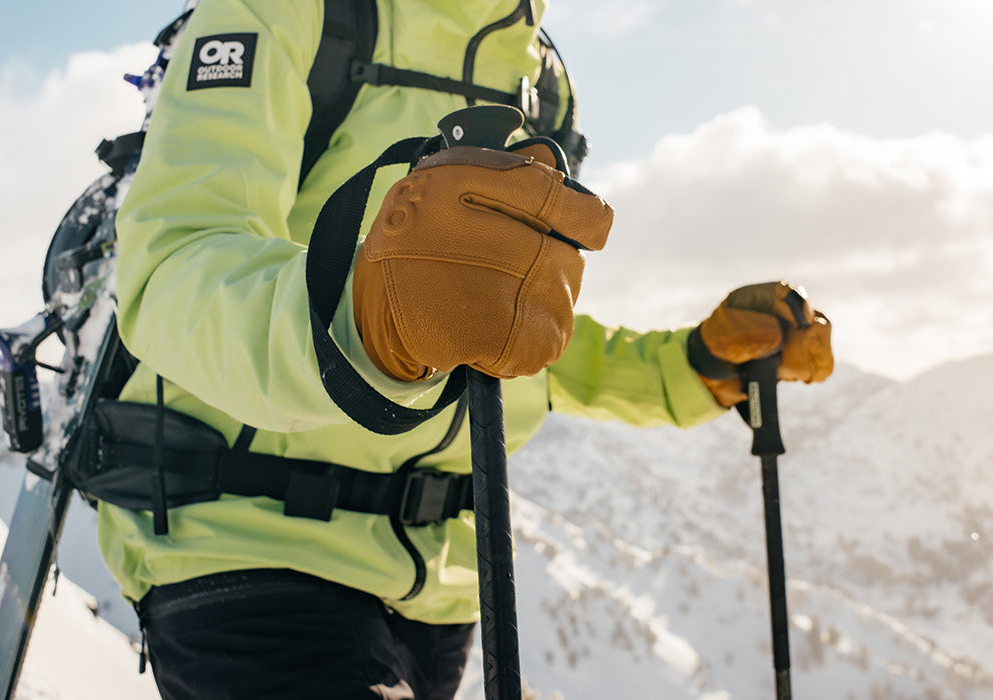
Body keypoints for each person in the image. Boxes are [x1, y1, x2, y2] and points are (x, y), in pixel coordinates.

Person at [102, 0, 833, 698]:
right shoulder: (289, 13)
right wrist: (367, 320)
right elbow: (174, 264)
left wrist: (691, 366)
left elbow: (506, 323)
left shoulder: (538, 76)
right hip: (244, 547)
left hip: (443, 595)